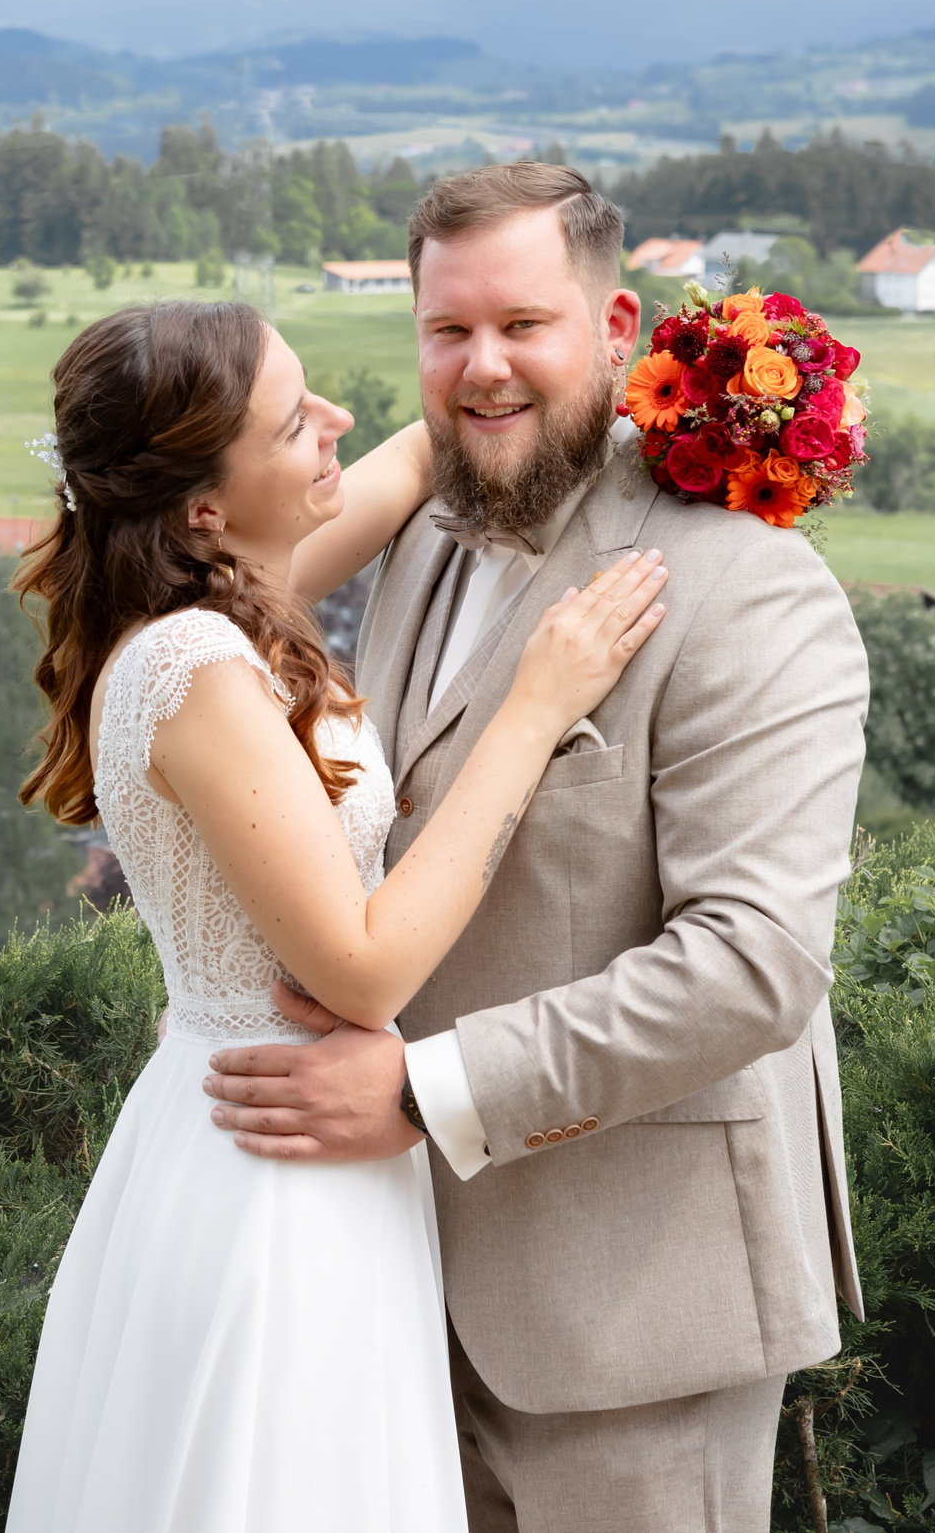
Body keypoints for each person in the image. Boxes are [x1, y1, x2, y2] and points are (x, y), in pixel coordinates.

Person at [200, 163, 869, 1533]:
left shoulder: (747, 585)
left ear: (618, 327)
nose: (482, 365)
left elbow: (755, 964)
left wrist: (419, 1091)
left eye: (525, 324)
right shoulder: (429, 533)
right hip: (391, 1292)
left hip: (635, 1320)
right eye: (447, 331)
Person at [4, 298, 669, 1533]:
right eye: (293, 421)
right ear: (204, 504)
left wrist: (634, 375)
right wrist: (535, 709)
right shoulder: (195, 668)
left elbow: (421, 448)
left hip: (292, 1135)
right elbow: (361, 974)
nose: (336, 424)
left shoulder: (227, 594)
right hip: (271, 1168)